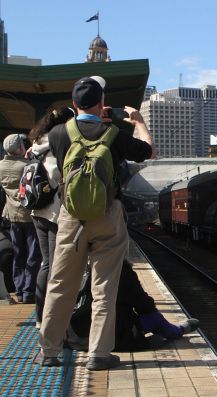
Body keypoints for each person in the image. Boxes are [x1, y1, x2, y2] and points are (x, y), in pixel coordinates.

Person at [37, 76, 156, 370]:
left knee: (60, 284)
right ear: (102, 103)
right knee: (104, 287)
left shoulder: (57, 134)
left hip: (71, 217)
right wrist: (139, 122)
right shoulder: (114, 133)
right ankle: (98, 354)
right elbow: (148, 151)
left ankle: (48, 351)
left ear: (74, 103)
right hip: (108, 215)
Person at [67, 259, 199, 352]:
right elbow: (144, 306)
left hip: (75, 336)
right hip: (113, 339)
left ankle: (168, 331)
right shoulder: (119, 268)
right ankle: (177, 330)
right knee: (155, 318)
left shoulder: (75, 265)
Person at [28, 108, 75, 326]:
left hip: (37, 211)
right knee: (55, 267)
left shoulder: (36, 144)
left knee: (46, 264)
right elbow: (56, 177)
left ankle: (40, 317)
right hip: (55, 213)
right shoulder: (57, 144)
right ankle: (51, 319)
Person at [0, 134, 42, 304]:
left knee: (18, 254)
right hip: (29, 216)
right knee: (33, 255)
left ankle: (18, 289)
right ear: (19, 149)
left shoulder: (1, 166)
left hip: (11, 215)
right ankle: (28, 291)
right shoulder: (29, 165)